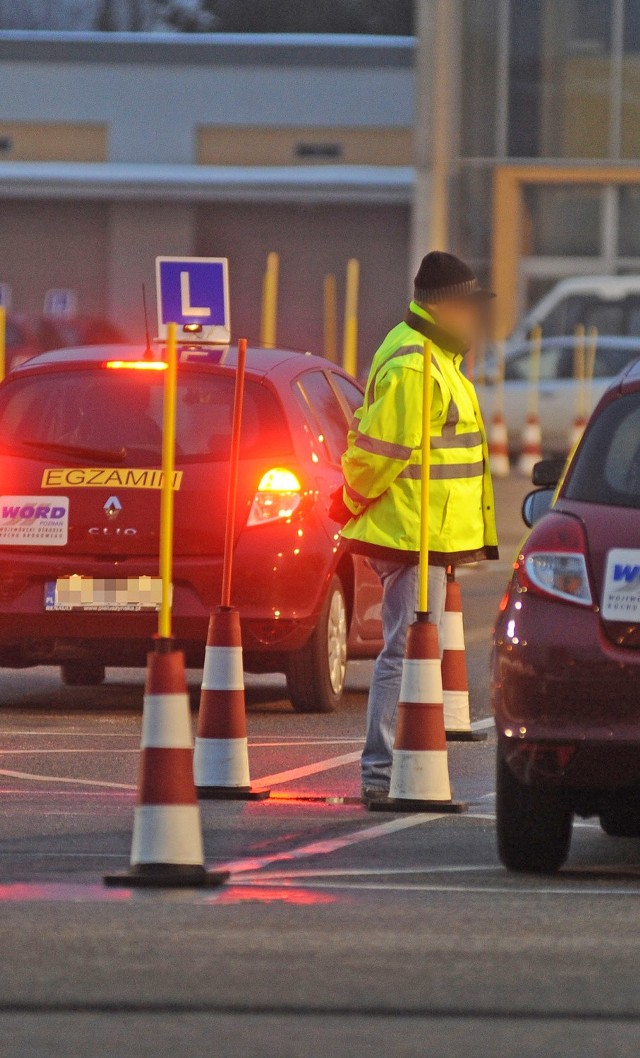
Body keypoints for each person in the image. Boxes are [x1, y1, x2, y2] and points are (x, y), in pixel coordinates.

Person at [338, 251, 499, 804]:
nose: (475, 320)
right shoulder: (415, 361)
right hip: (408, 533)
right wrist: (349, 501)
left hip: (425, 533)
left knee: (409, 649)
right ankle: (382, 773)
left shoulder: (435, 354)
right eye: (470, 308)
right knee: (402, 651)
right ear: (447, 307)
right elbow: (383, 449)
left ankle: (394, 766)